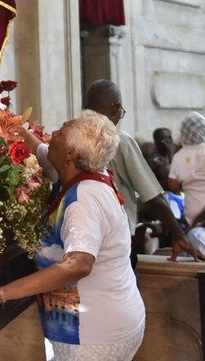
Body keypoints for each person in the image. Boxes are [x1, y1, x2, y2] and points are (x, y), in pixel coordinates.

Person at [0, 111, 145, 360]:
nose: (53, 134)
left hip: (95, 335)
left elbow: (77, 265)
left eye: (62, 129)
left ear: (71, 154)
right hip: (95, 324)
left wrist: (0, 293)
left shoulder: (84, 199)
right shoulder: (73, 173)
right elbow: (27, 138)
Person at [84, 79, 198, 260]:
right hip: (117, 237)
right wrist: (179, 235)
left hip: (82, 235)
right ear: (115, 108)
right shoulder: (120, 140)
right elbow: (153, 196)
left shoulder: (71, 136)